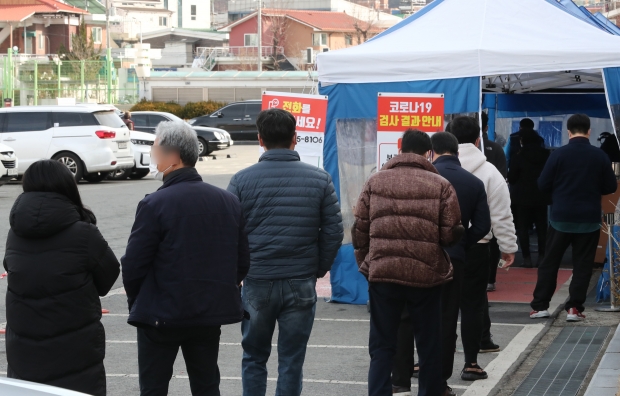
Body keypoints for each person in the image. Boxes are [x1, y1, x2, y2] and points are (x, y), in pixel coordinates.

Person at [122, 120, 250, 396]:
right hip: (207, 314)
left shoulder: (154, 204)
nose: (154, 159)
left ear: (174, 157)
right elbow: (241, 261)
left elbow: (133, 264)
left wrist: (139, 301)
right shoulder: (228, 201)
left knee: (154, 387)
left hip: (160, 314)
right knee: (206, 385)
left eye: (156, 152)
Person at [227, 108, 343, 396]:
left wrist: (239, 272)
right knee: (292, 359)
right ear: (296, 138)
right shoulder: (320, 179)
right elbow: (334, 231)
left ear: (260, 139)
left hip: (257, 280)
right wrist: (317, 268)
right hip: (300, 280)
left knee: (253, 356)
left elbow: (229, 233)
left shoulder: (241, 181)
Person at [352, 129, 464, 396]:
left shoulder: (374, 182)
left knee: (382, 345)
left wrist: (368, 264)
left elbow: (359, 230)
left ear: (400, 149)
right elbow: (450, 233)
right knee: (429, 344)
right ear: (429, 153)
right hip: (426, 275)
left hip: (383, 274)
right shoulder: (441, 185)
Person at [3, 159, 120, 396]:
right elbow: (109, 276)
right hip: (74, 349)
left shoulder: (15, 233)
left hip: (24, 348)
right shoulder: (84, 233)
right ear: (67, 186)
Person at [390, 132, 492, 396]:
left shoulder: (420, 178)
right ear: (457, 151)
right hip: (452, 259)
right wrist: (460, 244)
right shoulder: (473, 182)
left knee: (406, 318)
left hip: (411, 255)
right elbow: (483, 225)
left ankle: (400, 379)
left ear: (432, 152)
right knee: (445, 320)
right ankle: (439, 382)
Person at [448, 117, 518, 382]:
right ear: (479, 140)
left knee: (441, 305)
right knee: (472, 306)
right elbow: (502, 214)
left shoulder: (435, 170)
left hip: (441, 247)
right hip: (477, 247)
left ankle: (429, 361)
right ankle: (471, 363)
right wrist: (508, 247)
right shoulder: (490, 172)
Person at [530, 114, 617, 322]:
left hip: (560, 217)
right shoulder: (599, 156)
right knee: (583, 264)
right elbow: (611, 186)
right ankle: (574, 309)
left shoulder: (558, 155)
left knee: (550, 262)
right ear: (589, 131)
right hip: (589, 219)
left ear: (568, 132)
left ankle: (541, 306)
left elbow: (543, 184)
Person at [508, 129, 551, 268]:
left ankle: (526, 258)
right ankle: (542, 256)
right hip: (541, 196)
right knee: (541, 228)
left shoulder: (517, 156)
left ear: (523, 141)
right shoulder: (546, 155)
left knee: (522, 228)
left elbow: (512, 178)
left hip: (521, 198)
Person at [481, 112, 507, 293]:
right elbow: (503, 178)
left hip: (464, 205)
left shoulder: (455, 150)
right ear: (486, 127)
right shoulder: (495, 148)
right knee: (491, 240)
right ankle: (490, 278)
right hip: (491, 202)